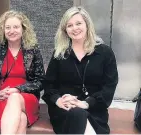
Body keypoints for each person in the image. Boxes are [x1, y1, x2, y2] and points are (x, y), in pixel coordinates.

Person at [42, 6, 118, 134]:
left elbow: (109, 87)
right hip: (64, 109)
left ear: (87, 25)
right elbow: (49, 85)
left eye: (78, 23)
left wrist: (85, 103)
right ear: (65, 30)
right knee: (77, 115)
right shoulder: (60, 54)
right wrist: (58, 100)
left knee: (81, 116)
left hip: (94, 108)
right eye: (69, 25)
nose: (74, 28)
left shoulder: (105, 53)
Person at [0, 10, 45, 134]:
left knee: (15, 97)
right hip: (2, 97)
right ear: (3, 30)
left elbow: (40, 81)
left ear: (23, 29)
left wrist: (18, 89)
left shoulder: (33, 49)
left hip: (27, 97)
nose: (11, 31)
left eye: (16, 27)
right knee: (21, 118)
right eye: (8, 27)